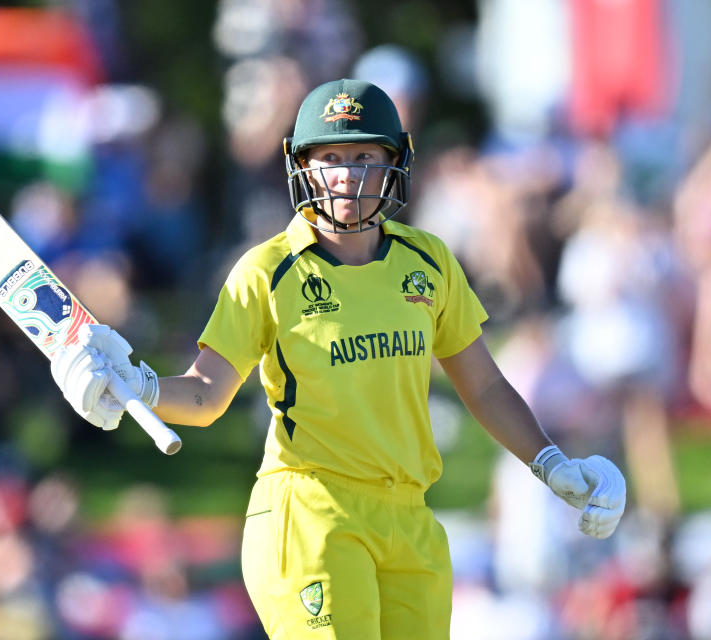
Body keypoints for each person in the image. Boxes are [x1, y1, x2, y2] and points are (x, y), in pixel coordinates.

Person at [50, 79, 627, 640]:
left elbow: (485, 384)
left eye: (363, 155)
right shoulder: (267, 271)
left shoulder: (428, 262)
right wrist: (139, 387)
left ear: (394, 161)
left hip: (410, 519)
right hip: (311, 513)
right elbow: (205, 395)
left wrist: (550, 463)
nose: (347, 173)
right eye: (330, 156)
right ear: (303, 165)